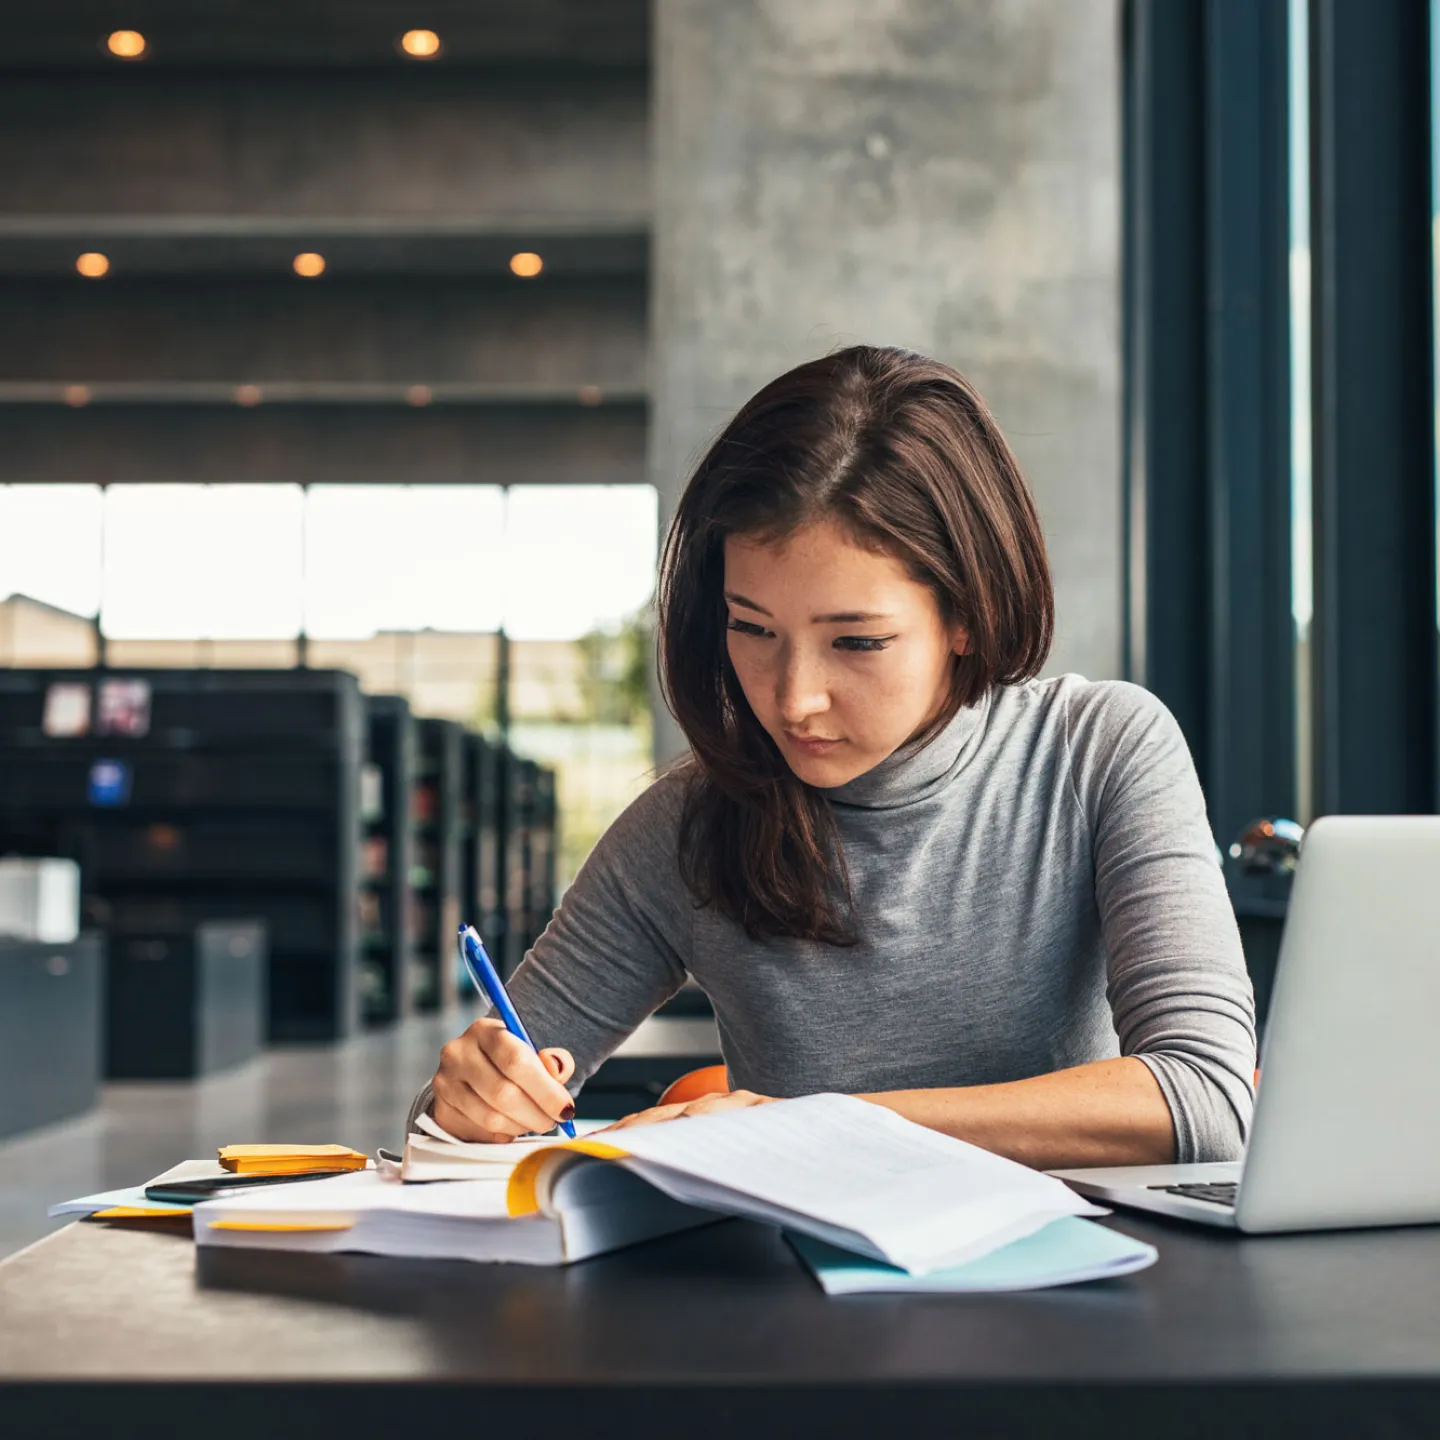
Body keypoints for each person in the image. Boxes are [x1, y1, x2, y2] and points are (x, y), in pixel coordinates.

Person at [410, 345, 1256, 1170]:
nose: (792, 699)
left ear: (968, 615)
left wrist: (816, 1128)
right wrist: (470, 1103)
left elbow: (1205, 1098)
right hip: (799, 1302)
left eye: (856, 641)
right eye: (752, 630)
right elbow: (439, 1137)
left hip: (1076, 1291)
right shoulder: (685, 826)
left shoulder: (1098, 751)